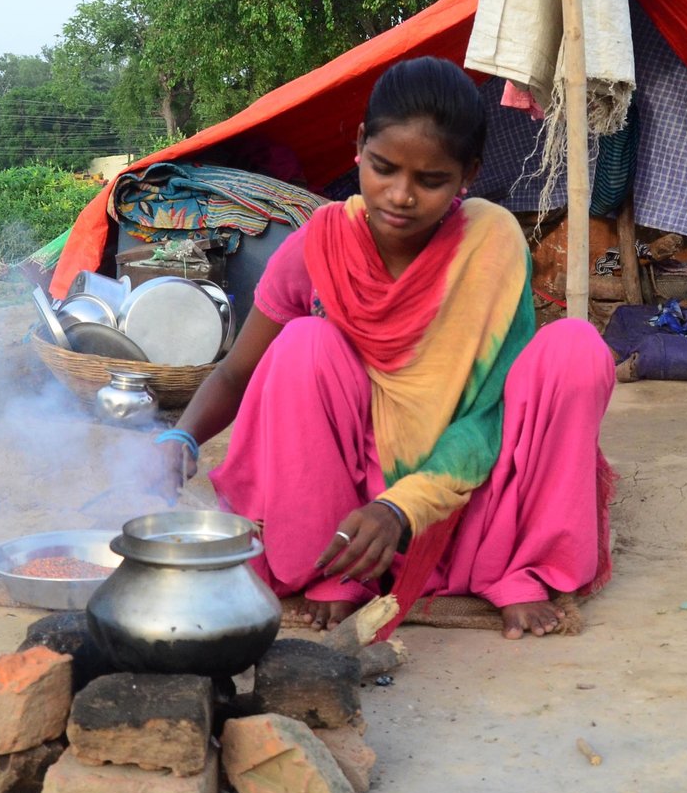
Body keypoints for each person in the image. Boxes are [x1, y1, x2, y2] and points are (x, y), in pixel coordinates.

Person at [143, 57, 616, 640]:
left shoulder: (491, 243)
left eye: (431, 180)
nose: (401, 196)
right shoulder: (318, 245)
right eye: (384, 168)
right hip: (351, 502)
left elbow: (491, 411)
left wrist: (403, 506)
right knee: (303, 342)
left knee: (575, 346)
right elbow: (238, 375)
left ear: (468, 173)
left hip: (469, 493)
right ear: (360, 146)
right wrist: (180, 439)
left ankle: (521, 568)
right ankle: (332, 569)